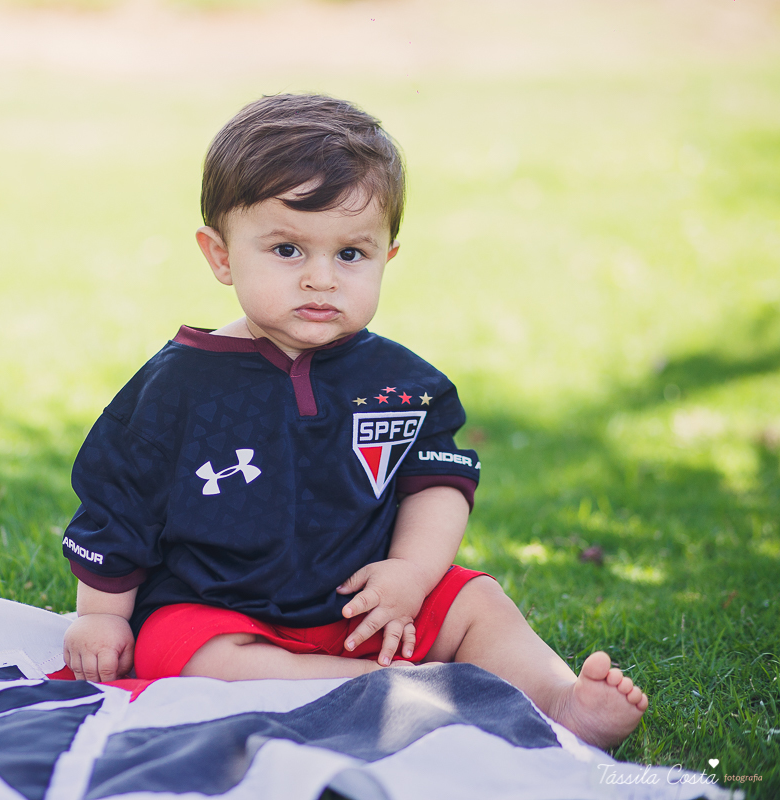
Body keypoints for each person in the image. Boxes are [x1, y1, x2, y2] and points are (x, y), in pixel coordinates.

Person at [59, 93, 647, 749]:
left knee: (477, 602)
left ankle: (562, 701)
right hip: (224, 608)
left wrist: (411, 577)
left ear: (385, 259)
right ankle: (361, 687)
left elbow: (437, 486)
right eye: (287, 250)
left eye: (350, 255)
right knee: (175, 648)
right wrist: (103, 616)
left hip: (370, 609)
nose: (320, 279)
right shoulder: (180, 384)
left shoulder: (402, 384)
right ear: (221, 255)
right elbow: (119, 500)